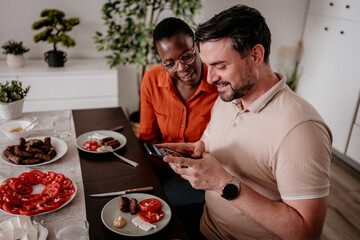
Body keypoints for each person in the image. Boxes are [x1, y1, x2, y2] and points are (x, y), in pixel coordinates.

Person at [161, 5, 332, 240]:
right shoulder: (228, 97)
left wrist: (224, 184)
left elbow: (305, 232)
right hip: (205, 228)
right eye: (208, 65)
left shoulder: (301, 130)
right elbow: (209, 140)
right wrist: (198, 148)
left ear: (255, 56)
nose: (210, 78)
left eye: (220, 66)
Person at [139, 17, 218, 238]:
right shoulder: (152, 79)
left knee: (161, 205)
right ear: (161, 62)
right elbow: (148, 137)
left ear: (197, 46)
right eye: (170, 63)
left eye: (187, 55)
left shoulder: (219, 83)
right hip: (164, 170)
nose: (182, 68)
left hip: (204, 177)